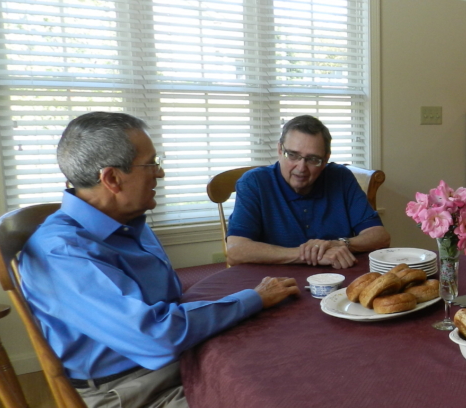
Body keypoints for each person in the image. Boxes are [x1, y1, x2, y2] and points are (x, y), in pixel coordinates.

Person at [19, 112, 300, 408]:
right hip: (131, 389)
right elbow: (156, 336)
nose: (160, 173)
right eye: (151, 163)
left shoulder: (127, 219)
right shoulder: (61, 253)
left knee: (287, 363)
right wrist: (252, 299)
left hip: (173, 361)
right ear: (112, 179)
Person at [226, 115, 390, 267]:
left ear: (325, 159)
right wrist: (308, 254)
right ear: (279, 150)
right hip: (275, 282)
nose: (301, 167)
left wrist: (339, 244)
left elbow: (380, 237)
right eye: (293, 155)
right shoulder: (253, 183)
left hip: (336, 279)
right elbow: (235, 251)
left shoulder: (340, 177)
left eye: (313, 159)